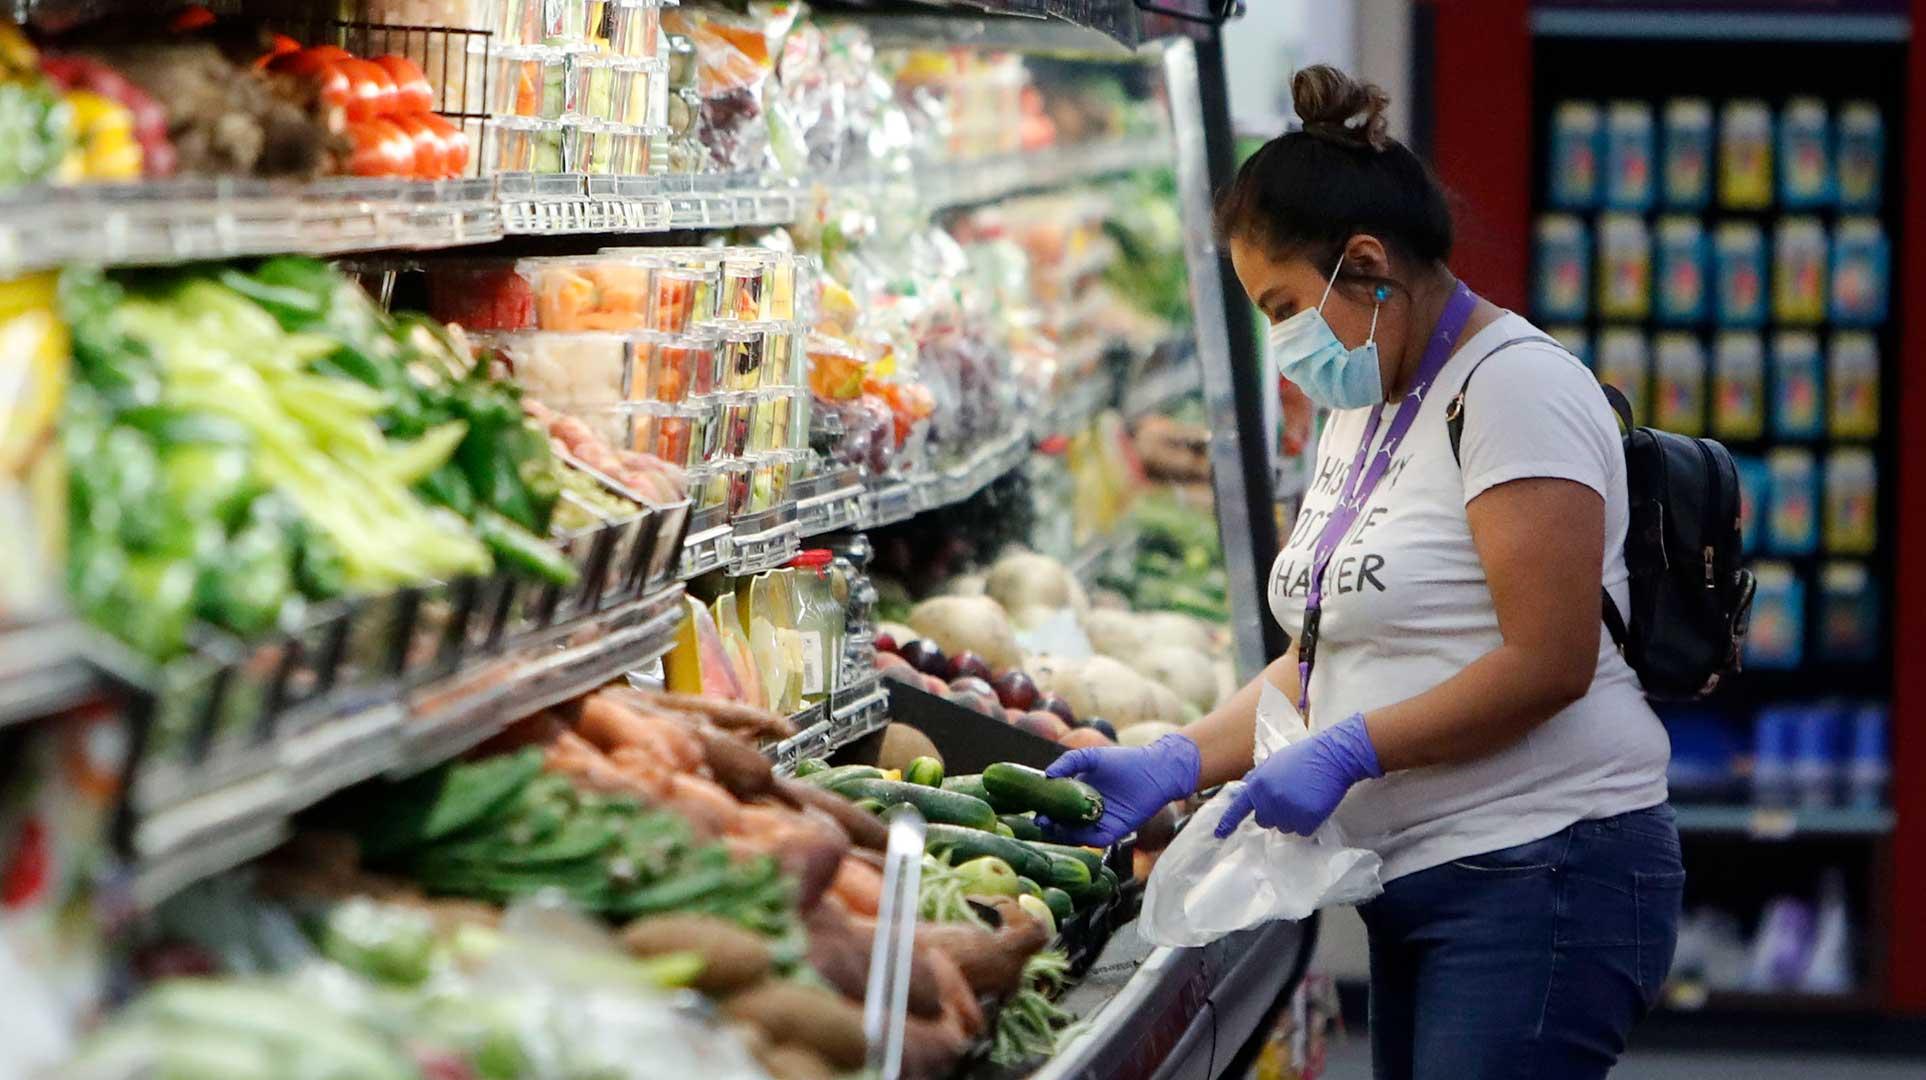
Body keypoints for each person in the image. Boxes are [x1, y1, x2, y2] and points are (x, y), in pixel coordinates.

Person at [1044, 66, 1684, 1079]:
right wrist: (1175, 760)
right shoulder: (1368, 404)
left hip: (1545, 872)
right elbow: (1327, 649)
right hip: (1421, 876)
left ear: (1367, 264)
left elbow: (1549, 660)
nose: (1283, 340)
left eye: (1285, 304)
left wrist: (1350, 751)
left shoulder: (1513, 390)